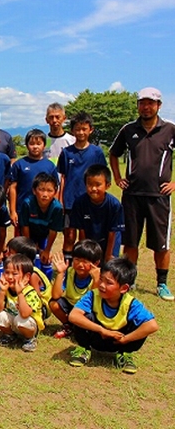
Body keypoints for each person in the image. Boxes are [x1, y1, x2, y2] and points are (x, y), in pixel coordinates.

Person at [109, 87, 175, 301]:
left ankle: (162, 284)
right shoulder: (128, 130)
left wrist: (174, 183)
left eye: (151, 103)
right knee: (130, 241)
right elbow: (113, 153)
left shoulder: (170, 129)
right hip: (132, 195)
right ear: (138, 105)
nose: (146, 107)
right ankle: (130, 279)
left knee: (161, 243)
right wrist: (119, 178)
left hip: (159, 196)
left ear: (159, 105)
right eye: (142, 103)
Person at [68, 257, 158, 374]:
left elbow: (152, 326)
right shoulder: (93, 295)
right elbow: (73, 316)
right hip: (96, 338)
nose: (102, 285)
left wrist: (126, 339)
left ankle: (124, 354)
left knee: (141, 324)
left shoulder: (131, 303)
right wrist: (101, 330)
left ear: (124, 288)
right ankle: (84, 349)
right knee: (84, 317)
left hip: (119, 341)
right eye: (101, 280)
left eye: (108, 283)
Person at [57, 111, 106, 265]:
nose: (81, 132)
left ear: (90, 130)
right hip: (70, 201)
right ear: (72, 131)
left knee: (86, 238)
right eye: (77, 129)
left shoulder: (96, 152)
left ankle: (85, 267)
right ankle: (68, 268)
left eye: (84, 129)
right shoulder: (66, 153)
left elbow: (102, 177)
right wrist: (61, 200)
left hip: (90, 201)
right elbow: (63, 178)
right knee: (69, 236)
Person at [70, 164, 124, 264]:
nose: (93, 188)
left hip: (110, 241)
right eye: (90, 184)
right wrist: (84, 252)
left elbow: (113, 232)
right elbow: (81, 231)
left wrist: (108, 256)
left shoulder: (114, 205)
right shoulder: (79, 203)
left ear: (107, 185)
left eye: (98, 185)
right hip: (90, 239)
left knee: (108, 269)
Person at [50, 239, 102, 339]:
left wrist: (96, 281)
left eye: (85, 261)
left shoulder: (99, 277)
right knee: (54, 304)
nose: (80, 264)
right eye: (77, 260)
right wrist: (60, 273)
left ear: (95, 263)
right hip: (71, 306)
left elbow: (94, 302)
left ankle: (81, 327)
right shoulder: (70, 272)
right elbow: (56, 295)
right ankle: (69, 326)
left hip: (86, 310)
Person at [7, 128, 58, 230]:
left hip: (44, 211)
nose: (35, 147)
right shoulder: (19, 164)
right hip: (23, 210)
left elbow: (55, 188)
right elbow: (12, 188)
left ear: (44, 146)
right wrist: (13, 211)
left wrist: (54, 208)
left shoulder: (50, 165)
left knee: (42, 242)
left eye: (38, 143)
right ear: (26, 145)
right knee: (22, 243)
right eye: (31, 144)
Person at [0, 254, 45, 352]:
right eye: (7, 273)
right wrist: (2, 291)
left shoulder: (30, 292)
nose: (10, 277)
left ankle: (30, 339)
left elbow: (25, 314)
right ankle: (10, 335)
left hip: (29, 325)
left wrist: (20, 293)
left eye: (15, 273)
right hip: (14, 322)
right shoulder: (6, 289)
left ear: (27, 277)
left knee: (21, 319)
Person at [19, 172, 64, 280]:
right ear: (34, 190)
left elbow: (53, 231)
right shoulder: (27, 203)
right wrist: (30, 246)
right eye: (41, 189)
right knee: (27, 256)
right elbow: (25, 227)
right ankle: (26, 278)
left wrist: (47, 250)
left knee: (45, 257)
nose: (45, 194)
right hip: (29, 233)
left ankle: (45, 280)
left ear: (55, 192)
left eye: (49, 190)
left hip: (44, 234)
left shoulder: (57, 208)